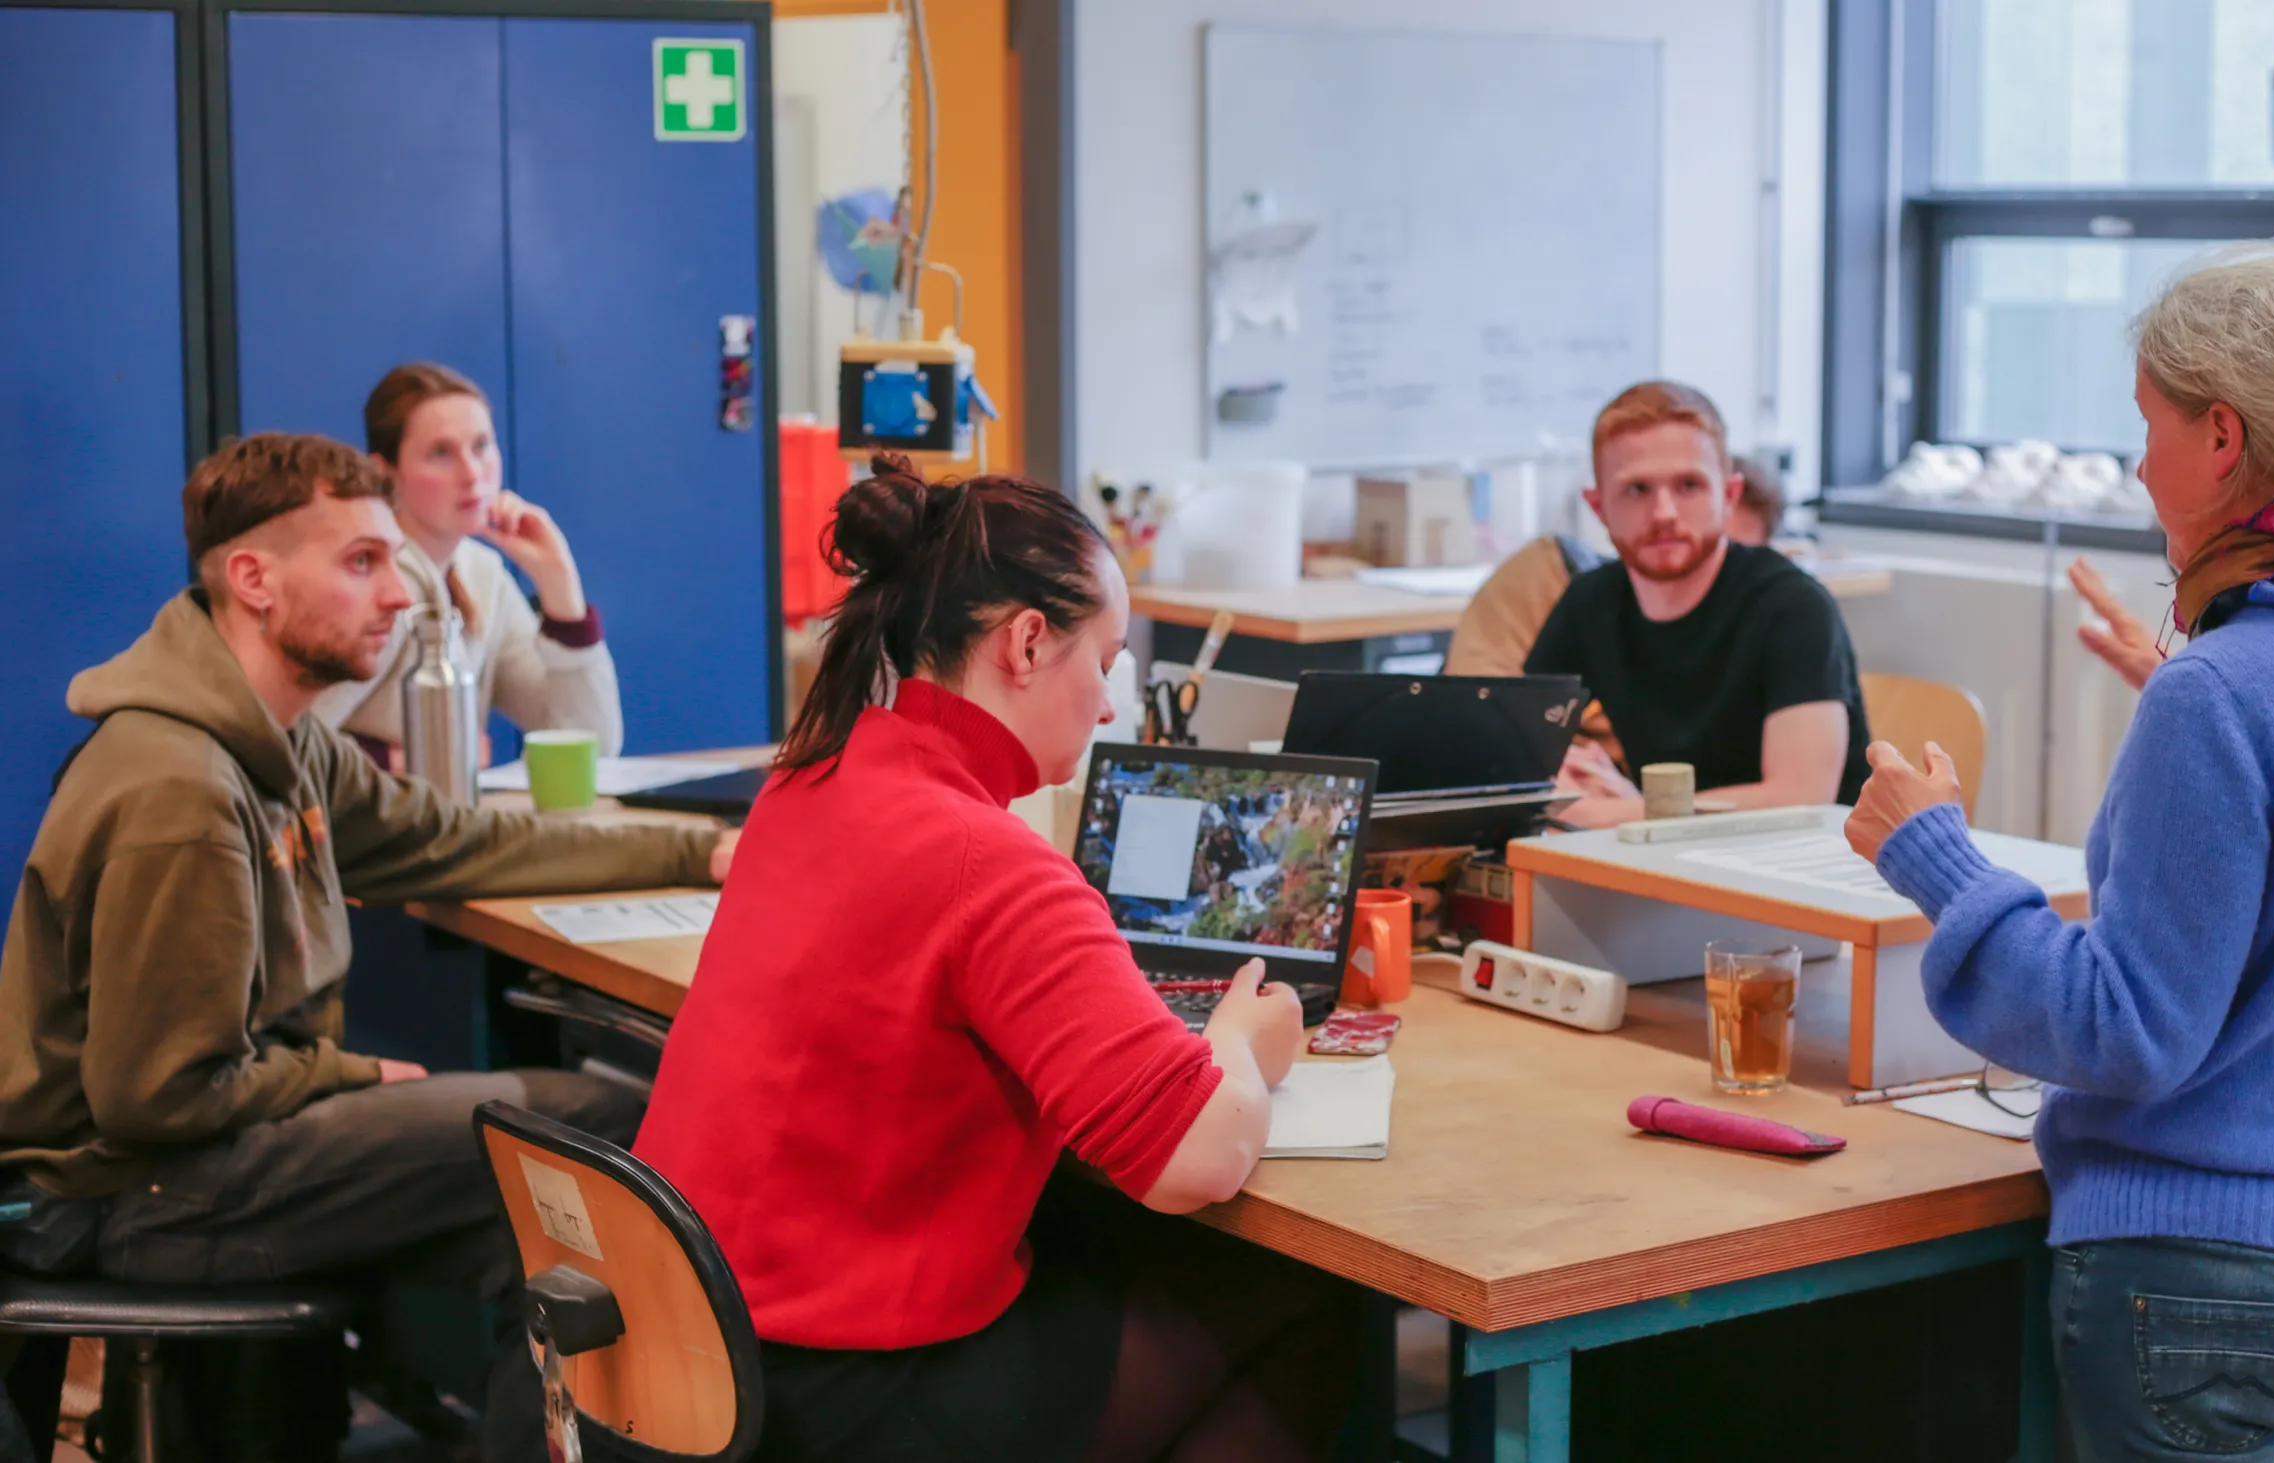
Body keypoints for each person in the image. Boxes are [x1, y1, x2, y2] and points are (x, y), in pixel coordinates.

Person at [1844, 243, 2274, 1462]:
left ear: (2219, 437)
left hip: (2212, 1287)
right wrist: (2192, 702)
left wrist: (1933, 856)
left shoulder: (2221, 693)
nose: (2135, 462)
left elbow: (2123, 1028)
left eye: (2145, 425)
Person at [0, 433, 737, 1460]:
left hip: (195, 1151)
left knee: (528, 1217)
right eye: (361, 562)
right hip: (129, 1188)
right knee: (594, 1125)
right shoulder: (182, 784)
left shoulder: (277, 734)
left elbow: (453, 836)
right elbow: (155, 1095)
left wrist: (700, 850)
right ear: (253, 579)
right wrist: (352, 1072)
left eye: (393, 558)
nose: (400, 593)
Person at [634, 454, 1352, 1463]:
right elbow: (1200, 1154)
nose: (1108, 705)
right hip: (845, 1396)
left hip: (700, 1350)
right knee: (1309, 1297)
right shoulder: (989, 865)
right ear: (1025, 644)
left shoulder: (805, 786)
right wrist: (1240, 1039)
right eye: (1103, 661)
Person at [1524, 381, 1869, 826]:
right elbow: (1520, 758)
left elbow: (1800, 799)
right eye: (1637, 489)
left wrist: (1617, 811)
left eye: (1688, 485)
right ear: (1598, 506)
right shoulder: (1591, 602)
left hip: (1805, 870)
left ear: (1728, 496)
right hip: (1668, 864)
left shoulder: (1794, 608)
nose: (1664, 512)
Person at [316, 362, 621, 767]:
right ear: (384, 472)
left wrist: (560, 589)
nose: (472, 473)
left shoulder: (481, 572)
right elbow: (283, 742)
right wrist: (404, 762)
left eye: (481, 446)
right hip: (363, 826)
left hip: (439, 819)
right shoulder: (374, 581)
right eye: (441, 453)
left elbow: (591, 744)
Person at [1445, 450, 1784, 679]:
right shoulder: (1555, 586)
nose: (1694, 566)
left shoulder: (1774, 627)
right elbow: (1488, 718)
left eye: (1731, 556)